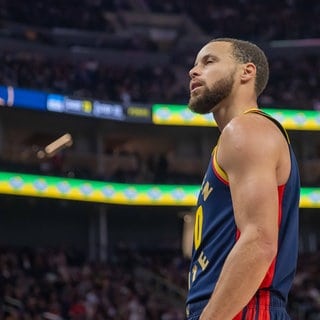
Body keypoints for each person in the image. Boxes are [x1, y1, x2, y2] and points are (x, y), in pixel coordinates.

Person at [186, 38, 300, 320]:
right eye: (195, 63)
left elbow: (259, 242)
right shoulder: (236, 137)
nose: (193, 71)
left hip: (246, 309)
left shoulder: (246, 129)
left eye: (209, 61)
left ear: (246, 72)